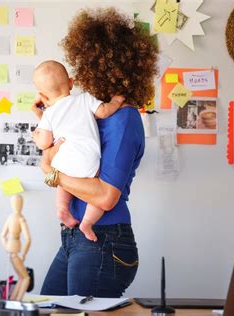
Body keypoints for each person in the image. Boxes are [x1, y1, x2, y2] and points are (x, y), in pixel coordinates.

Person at [38, 8, 158, 297]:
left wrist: (53, 174)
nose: (80, 76)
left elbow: (105, 195)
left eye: (86, 67)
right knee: (45, 306)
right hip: (76, 237)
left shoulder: (124, 119)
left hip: (104, 239)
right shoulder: (89, 112)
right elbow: (50, 150)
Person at [31, 60, 125, 242]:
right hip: (87, 161)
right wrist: (115, 101)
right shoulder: (84, 99)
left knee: (64, 180)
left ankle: (62, 208)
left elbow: (44, 143)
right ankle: (87, 223)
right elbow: (104, 112)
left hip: (62, 162)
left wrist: (36, 134)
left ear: (42, 96)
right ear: (71, 83)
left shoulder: (48, 114)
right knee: (95, 184)